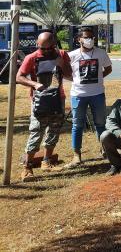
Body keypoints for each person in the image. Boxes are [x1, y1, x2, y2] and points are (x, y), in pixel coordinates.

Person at [16, 31, 72, 182]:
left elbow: (70, 76)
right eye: (43, 48)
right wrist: (34, 84)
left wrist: (62, 64)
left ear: (55, 44)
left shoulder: (61, 54)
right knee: (36, 132)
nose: (46, 51)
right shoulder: (32, 57)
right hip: (39, 101)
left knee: (54, 130)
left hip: (57, 99)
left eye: (50, 48)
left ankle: (46, 162)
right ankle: (27, 168)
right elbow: (19, 77)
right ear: (37, 45)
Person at [65, 27, 112, 169]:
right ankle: (76, 154)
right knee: (77, 125)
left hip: (97, 94)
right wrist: (75, 81)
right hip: (78, 95)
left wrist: (99, 78)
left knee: (100, 123)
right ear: (79, 39)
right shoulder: (72, 55)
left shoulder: (100, 53)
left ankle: (104, 149)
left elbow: (108, 68)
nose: (89, 40)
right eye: (86, 37)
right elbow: (65, 72)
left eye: (91, 37)